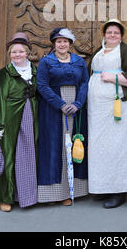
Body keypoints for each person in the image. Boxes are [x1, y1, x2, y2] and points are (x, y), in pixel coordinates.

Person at [87, 19, 127, 208]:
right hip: (98, 109)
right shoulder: (98, 51)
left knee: (118, 146)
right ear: (104, 34)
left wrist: (113, 77)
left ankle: (119, 191)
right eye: (109, 32)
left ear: (121, 35)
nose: (112, 35)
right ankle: (103, 186)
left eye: (116, 33)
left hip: (121, 108)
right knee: (100, 147)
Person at [36, 27, 89, 205]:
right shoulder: (46, 62)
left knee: (75, 144)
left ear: (70, 44)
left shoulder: (79, 62)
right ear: (54, 44)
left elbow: (84, 84)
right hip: (53, 108)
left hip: (75, 106)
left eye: (65, 41)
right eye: (59, 41)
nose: (62, 44)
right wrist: (60, 104)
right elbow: (42, 86)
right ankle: (53, 193)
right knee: (54, 146)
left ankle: (73, 191)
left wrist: (77, 103)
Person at [0, 32, 38, 212]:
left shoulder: (35, 71)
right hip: (8, 119)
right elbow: (0, 100)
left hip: (30, 116)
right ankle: (5, 197)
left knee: (27, 155)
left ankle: (26, 195)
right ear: (10, 55)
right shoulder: (4, 74)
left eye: (20, 52)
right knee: (8, 155)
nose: (17, 55)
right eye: (13, 52)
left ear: (27, 53)